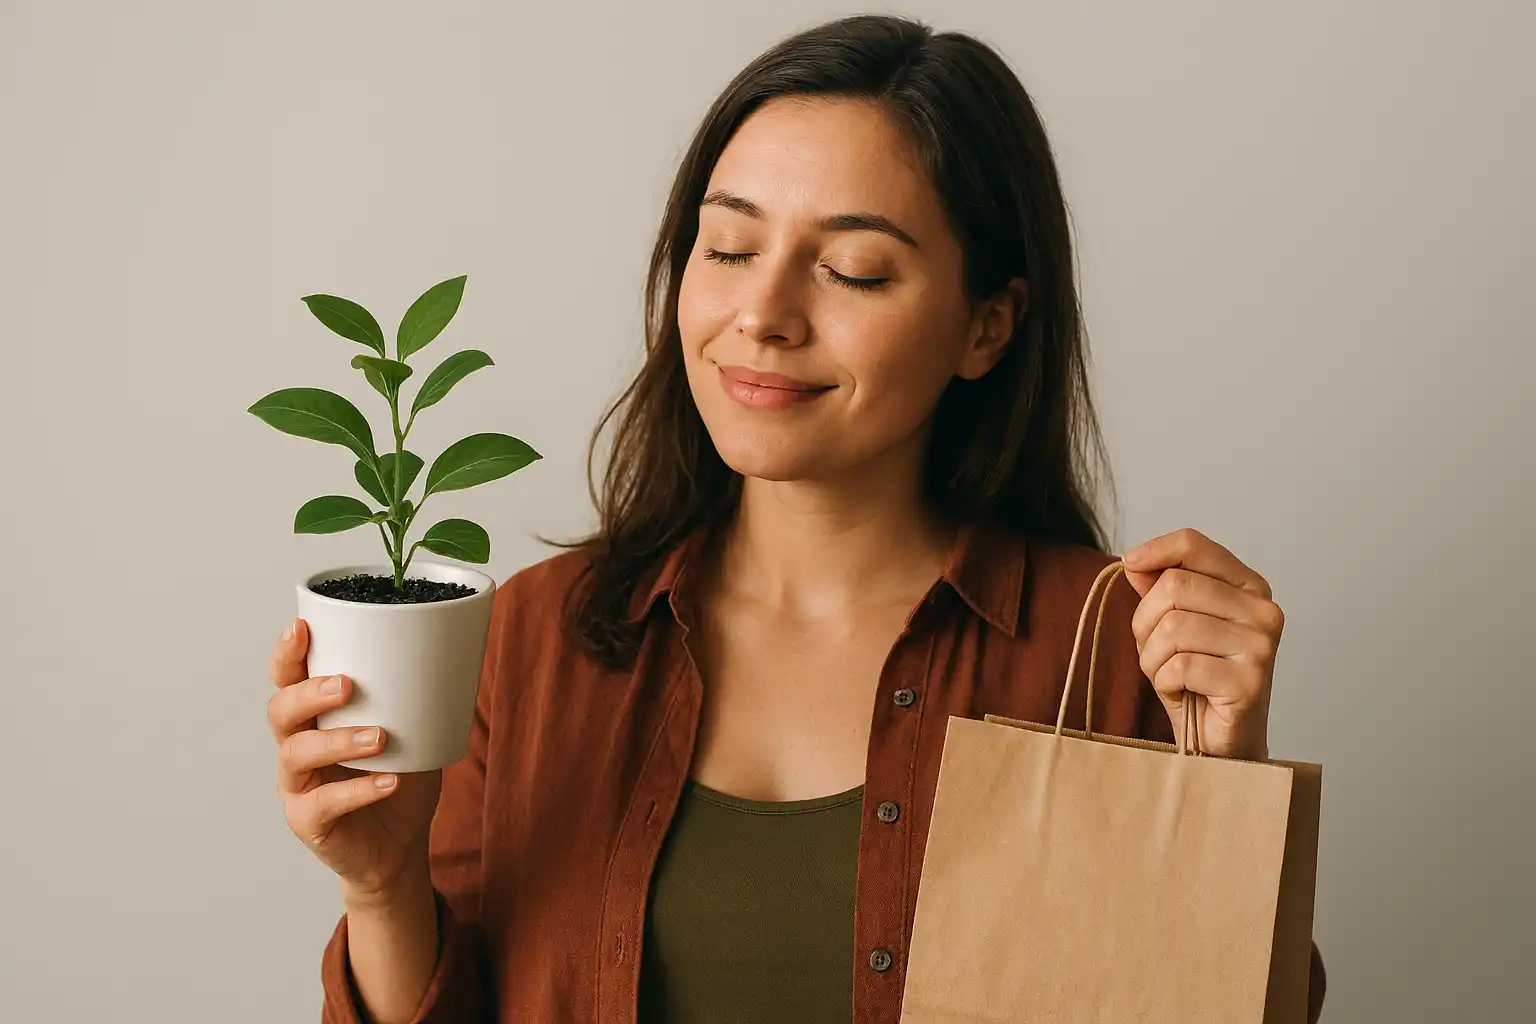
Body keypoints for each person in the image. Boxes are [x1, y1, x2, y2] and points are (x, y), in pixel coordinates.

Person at [266, 14, 1324, 1024]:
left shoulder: (1109, 653)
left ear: (987, 327)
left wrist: (1222, 777)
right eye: (728, 248)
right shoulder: (534, 640)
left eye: (851, 269)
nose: (763, 316)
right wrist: (383, 885)